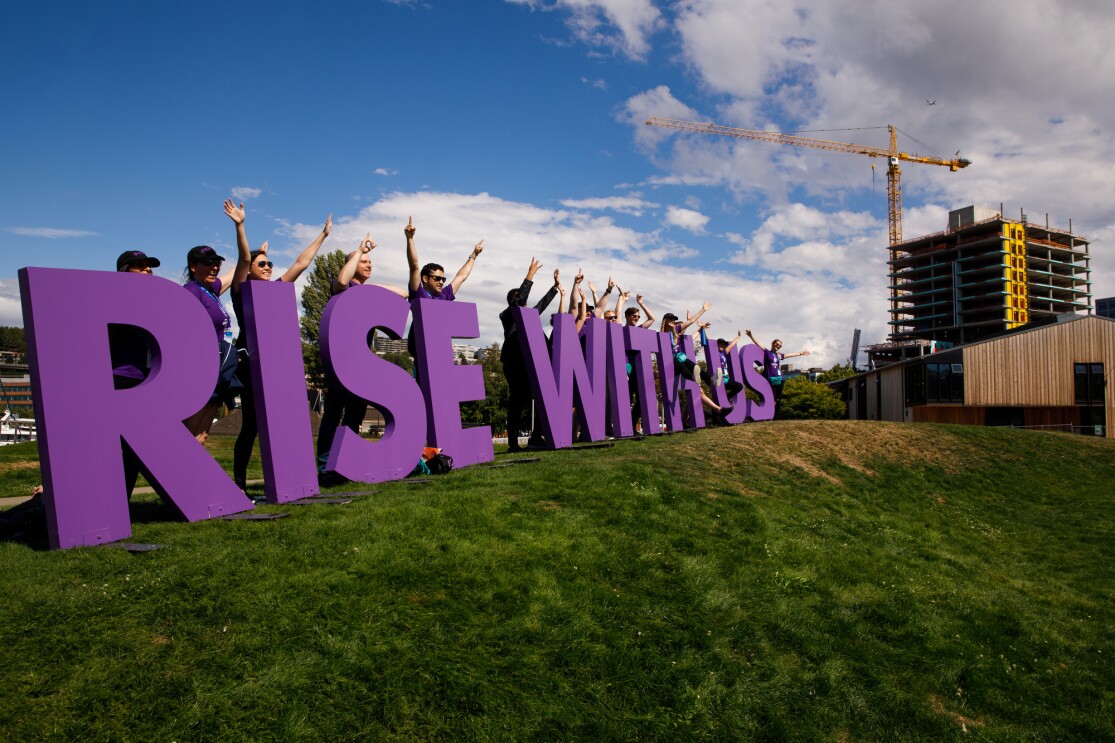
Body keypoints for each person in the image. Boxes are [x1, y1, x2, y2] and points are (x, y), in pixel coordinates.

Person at [230, 214, 333, 492]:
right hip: (251, 366)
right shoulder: (241, 293)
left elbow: (301, 263)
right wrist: (240, 226)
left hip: (277, 367)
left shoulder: (276, 289)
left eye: (270, 264)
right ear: (249, 270)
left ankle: (287, 477)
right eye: (261, 264)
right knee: (250, 426)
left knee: (281, 424)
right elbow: (242, 259)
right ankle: (238, 483)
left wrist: (323, 235)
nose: (268, 267)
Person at [316, 235, 408, 476]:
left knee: (355, 414)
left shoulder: (365, 292)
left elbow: (402, 292)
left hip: (360, 364)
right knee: (334, 411)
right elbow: (341, 280)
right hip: (340, 360)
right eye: (363, 261)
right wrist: (358, 250)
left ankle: (346, 460)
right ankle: (325, 464)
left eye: (370, 262)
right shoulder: (343, 289)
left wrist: (371, 287)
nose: (369, 265)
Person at [181, 200, 252, 442]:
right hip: (201, 369)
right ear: (193, 267)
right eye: (208, 263)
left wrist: (240, 227)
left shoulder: (213, 290)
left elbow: (244, 261)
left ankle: (187, 476)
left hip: (219, 368)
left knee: (201, 434)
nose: (215, 267)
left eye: (217, 263)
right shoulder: (191, 292)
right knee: (191, 433)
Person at [111, 250, 161, 497]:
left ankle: (123, 501)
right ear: (123, 271)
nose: (146, 270)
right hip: (118, 379)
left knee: (135, 448)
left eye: (148, 266)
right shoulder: (111, 301)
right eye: (139, 266)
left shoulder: (150, 303)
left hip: (146, 380)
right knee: (115, 446)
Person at [500, 260, 558, 452]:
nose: (525, 304)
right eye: (521, 301)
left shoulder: (529, 315)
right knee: (518, 402)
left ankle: (536, 437)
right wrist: (530, 276)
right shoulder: (507, 316)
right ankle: (513, 444)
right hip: (515, 365)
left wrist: (555, 288)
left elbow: (540, 305)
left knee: (545, 397)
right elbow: (519, 300)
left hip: (532, 364)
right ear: (513, 303)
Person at [662, 308, 733, 422]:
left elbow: (690, 324)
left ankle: (710, 381)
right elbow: (688, 324)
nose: (673, 322)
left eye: (674, 321)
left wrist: (703, 311)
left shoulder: (678, 336)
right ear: (664, 321)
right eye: (670, 319)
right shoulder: (661, 335)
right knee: (684, 368)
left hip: (680, 359)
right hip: (671, 363)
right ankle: (694, 378)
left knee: (695, 370)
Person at [745, 330, 810, 414]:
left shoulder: (779, 355)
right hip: (770, 379)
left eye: (780, 345)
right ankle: (769, 413)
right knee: (773, 399)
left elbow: (790, 355)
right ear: (772, 344)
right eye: (777, 344)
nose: (778, 346)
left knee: (778, 398)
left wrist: (801, 353)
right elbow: (758, 344)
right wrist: (751, 336)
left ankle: (775, 416)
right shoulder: (767, 352)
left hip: (779, 379)